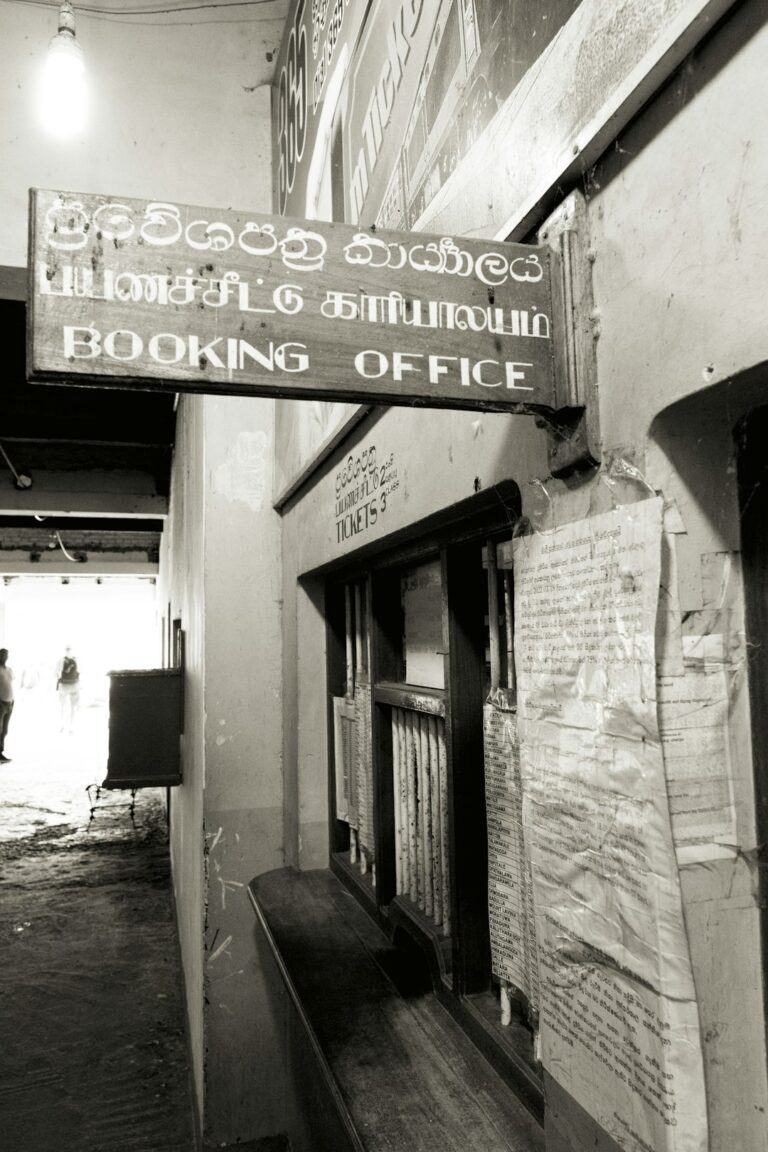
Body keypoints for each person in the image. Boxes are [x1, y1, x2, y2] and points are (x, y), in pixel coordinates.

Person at [56, 645, 80, 734]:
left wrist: (59, 677)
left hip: (63, 686)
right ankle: (71, 727)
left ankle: (62, 725)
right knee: (73, 707)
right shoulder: (77, 660)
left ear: (65, 650)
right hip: (74, 685)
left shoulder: (60, 660)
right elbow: (81, 672)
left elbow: (55, 673)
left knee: (62, 707)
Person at [0, 648, 14, 762]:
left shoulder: (9, 670)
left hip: (10, 703)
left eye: (6, 655)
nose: (5, 657)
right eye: (2, 655)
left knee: (5, 730)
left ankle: (1, 752)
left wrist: (13, 700)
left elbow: (9, 684)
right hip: (1, 703)